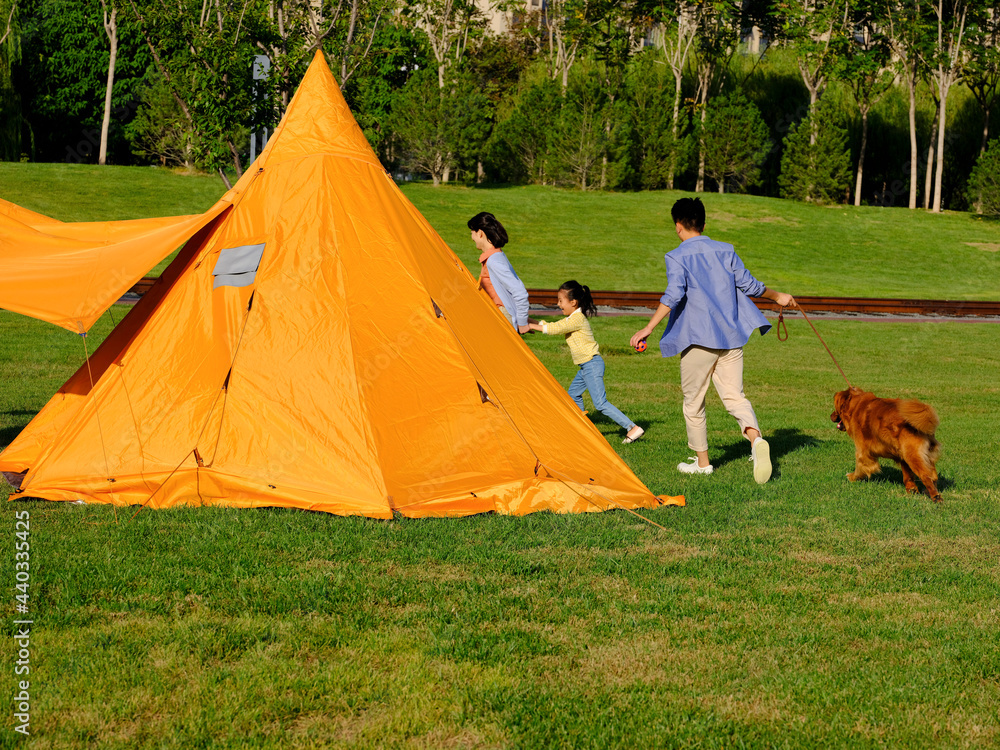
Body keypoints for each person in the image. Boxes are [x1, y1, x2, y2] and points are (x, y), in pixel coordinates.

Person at [629, 197, 796, 483]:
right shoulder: (726, 250)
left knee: (693, 403)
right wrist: (778, 296)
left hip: (697, 341)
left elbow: (673, 295)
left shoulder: (677, 256)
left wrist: (648, 328)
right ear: (704, 224)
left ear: (678, 226)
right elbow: (749, 285)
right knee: (735, 396)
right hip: (731, 339)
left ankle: (703, 463)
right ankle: (756, 442)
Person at [529, 281, 645, 444]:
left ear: (573, 302)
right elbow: (554, 325)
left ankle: (632, 428)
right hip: (586, 366)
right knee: (573, 394)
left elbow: (555, 328)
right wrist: (530, 321)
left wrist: (530, 325)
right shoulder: (572, 319)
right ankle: (584, 429)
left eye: (561, 301)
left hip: (592, 364)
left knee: (600, 403)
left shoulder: (577, 319)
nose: (558, 304)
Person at [468, 212, 530, 333]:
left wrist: (522, 322)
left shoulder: (494, 261)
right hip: (496, 315)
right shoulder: (496, 256)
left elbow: (519, 291)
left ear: (480, 233)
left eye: (472, 233)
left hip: (502, 317)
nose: (472, 238)